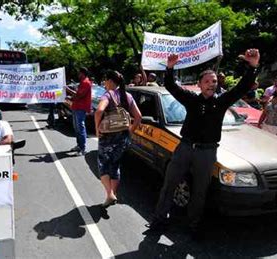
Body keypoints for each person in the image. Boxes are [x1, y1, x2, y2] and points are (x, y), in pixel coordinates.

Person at [145, 49, 260, 238]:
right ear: (199, 84)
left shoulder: (222, 101)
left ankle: (193, 224)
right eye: (207, 81)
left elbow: (242, 87)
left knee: (200, 191)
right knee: (169, 184)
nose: (211, 84)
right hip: (184, 149)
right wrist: (170, 68)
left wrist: (253, 66)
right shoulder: (191, 100)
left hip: (207, 153)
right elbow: (171, 86)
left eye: (214, 81)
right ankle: (159, 219)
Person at [94, 70, 142, 207]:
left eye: (105, 81)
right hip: (123, 137)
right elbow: (138, 116)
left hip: (108, 136)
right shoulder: (127, 96)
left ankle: (109, 194)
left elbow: (99, 111)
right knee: (115, 165)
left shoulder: (108, 95)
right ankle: (113, 194)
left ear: (109, 81)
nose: (104, 83)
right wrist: (130, 131)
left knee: (103, 164)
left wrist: (97, 129)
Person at [66, 67, 92, 155]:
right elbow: (78, 95)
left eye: (79, 73)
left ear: (83, 73)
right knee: (76, 128)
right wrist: (71, 97)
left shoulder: (86, 82)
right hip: (76, 107)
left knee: (80, 128)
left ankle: (83, 148)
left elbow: (79, 95)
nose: (78, 74)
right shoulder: (82, 82)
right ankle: (79, 145)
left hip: (81, 108)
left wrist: (68, 90)